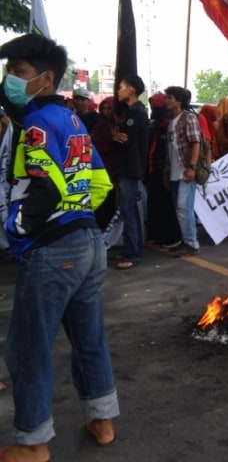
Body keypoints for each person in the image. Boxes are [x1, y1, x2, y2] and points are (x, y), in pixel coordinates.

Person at [0, 33, 118, 462]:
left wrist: (20, 231)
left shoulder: (34, 125)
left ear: (45, 78)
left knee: (28, 346)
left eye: (19, 72)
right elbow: (103, 186)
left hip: (52, 249)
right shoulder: (75, 123)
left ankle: (32, 443)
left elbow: (44, 191)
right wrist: (83, 221)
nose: (10, 79)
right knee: (88, 337)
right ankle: (103, 420)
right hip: (89, 243)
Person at [112, 73, 149, 269]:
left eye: (121, 86)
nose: (118, 91)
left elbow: (123, 138)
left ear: (131, 89)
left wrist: (116, 136)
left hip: (131, 168)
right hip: (126, 167)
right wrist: (116, 136)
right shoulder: (130, 112)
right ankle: (130, 249)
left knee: (129, 210)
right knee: (128, 210)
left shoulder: (137, 113)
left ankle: (133, 253)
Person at [164, 86, 202, 256]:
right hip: (174, 171)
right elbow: (170, 149)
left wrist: (192, 167)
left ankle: (191, 243)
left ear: (179, 101)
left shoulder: (189, 118)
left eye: (170, 97)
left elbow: (196, 143)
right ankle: (185, 239)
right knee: (179, 209)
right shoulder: (171, 120)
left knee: (183, 208)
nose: (166, 100)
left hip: (185, 171)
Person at [145, 92, 182, 248]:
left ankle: (172, 236)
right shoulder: (156, 122)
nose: (153, 107)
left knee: (166, 205)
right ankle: (158, 235)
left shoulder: (166, 123)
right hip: (153, 168)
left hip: (163, 168)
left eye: (155, 104)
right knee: (155, 204)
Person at [89, 96, 118, 230]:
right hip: (102, 166)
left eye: (109, 109)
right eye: (104, 109)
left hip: (116, 168)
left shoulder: (120, 125)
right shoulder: (99, 128)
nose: (106, 112)